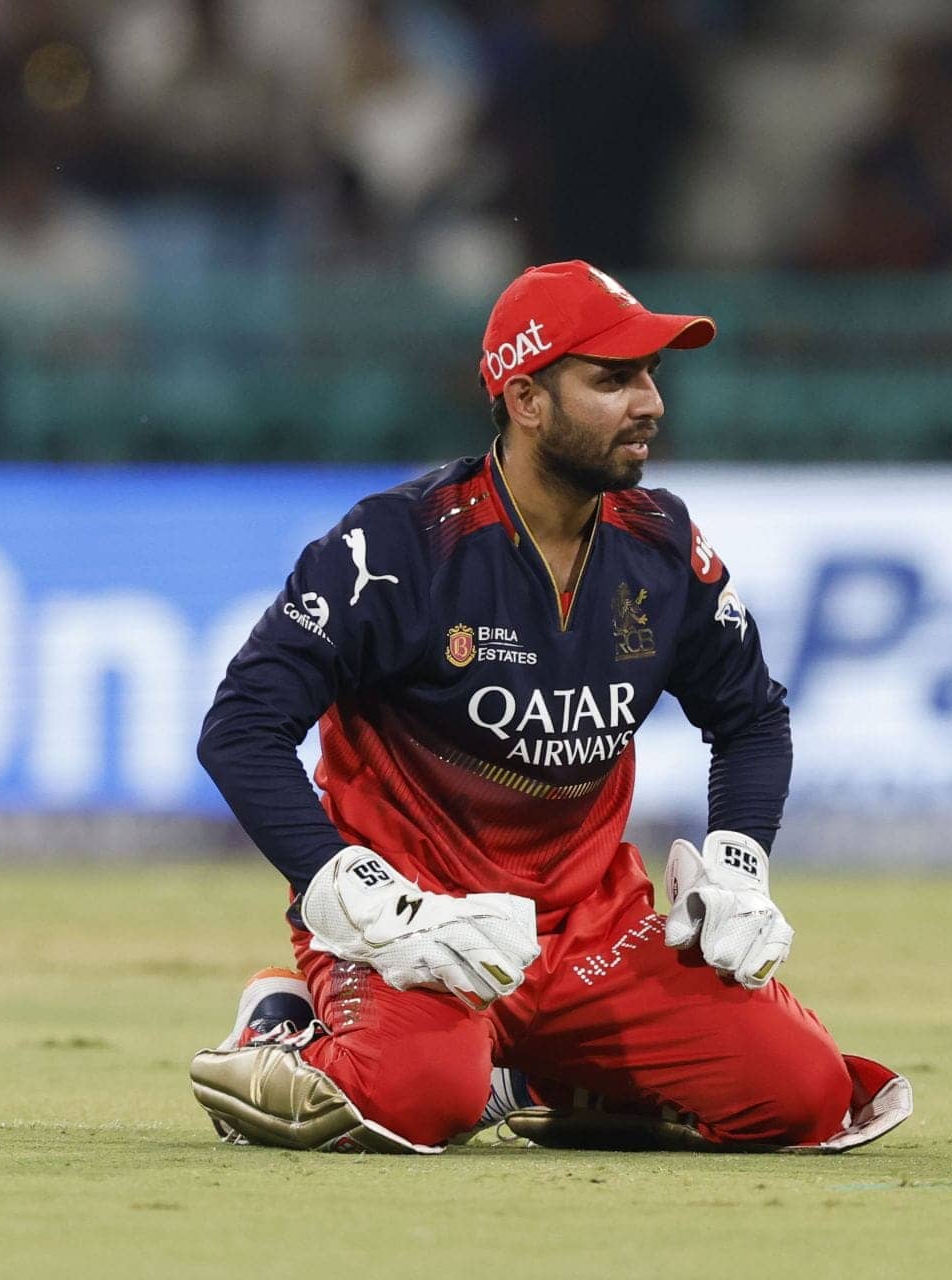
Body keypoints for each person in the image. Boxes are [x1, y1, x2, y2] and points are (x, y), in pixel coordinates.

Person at [190, 260, 911, 1154]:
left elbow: (751, 716)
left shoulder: (662, 541)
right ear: (525, 399)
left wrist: (738, 863)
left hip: (593, 934)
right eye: (612, 379)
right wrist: (356, 894)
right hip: (424, 929)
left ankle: (535, 1071)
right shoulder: (398, 545)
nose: (649, 401)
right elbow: (241, 729)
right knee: (415, 1103)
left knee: (802, 1097)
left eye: (651, 376)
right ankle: (280, 1022)